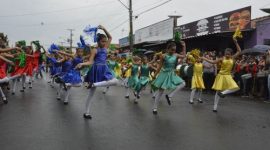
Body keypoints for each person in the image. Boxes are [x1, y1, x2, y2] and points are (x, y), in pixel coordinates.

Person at [76, 25, 120, 119]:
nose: (104, 43)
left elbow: (110, 37)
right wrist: (82, 64)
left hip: (105, 68)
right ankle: (86, 113)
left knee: (115, 81)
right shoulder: (94, 50)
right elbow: (91, 61)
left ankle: (94, 84)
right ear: (98, 41)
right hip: (96, 69)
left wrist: (103, 28)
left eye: (105, 41)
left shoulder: (106, 47)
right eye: (102, 41)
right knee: (91, 94)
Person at [202, 38, 241, 112]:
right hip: (221, 75)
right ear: (224, 53)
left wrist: (236, 43)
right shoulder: (222, 58)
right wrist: (204, 58)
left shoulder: (232, 58)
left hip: (228, 76)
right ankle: (215, 107)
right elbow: (213, 62)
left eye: (228, 54)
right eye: (226, 53)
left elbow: (239, 51)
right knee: (217, 91)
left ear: (231, 54)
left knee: (236, 88)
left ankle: (223, 93)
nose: (227, 55)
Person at [151, 41, 186, 115]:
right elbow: (159, 67)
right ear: (168, 49)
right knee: (160, 92)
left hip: (172, 74)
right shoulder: (163, 56)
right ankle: (155, 108)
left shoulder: (176, 55)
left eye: (174, 49)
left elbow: (184, 56)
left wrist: (184, 46)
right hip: (164, 74)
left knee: (183, 83)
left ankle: (170, 96)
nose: (173, 51)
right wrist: (154, 75)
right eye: (172, 49)